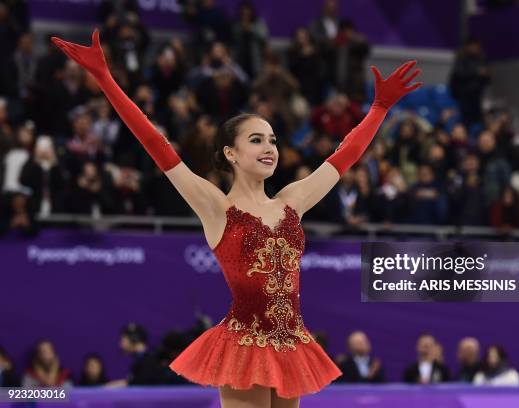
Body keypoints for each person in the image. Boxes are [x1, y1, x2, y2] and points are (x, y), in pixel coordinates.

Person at [52, 29, 421, 407]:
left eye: (273, 140)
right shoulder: (216, 207)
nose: (269, 148)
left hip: (290, 340)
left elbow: (345, 156)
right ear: (230, 153)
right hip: (245, 343)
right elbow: (155, 144)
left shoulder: (292, 201)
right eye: (257, 140)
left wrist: (379, 109)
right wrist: (105, 78)